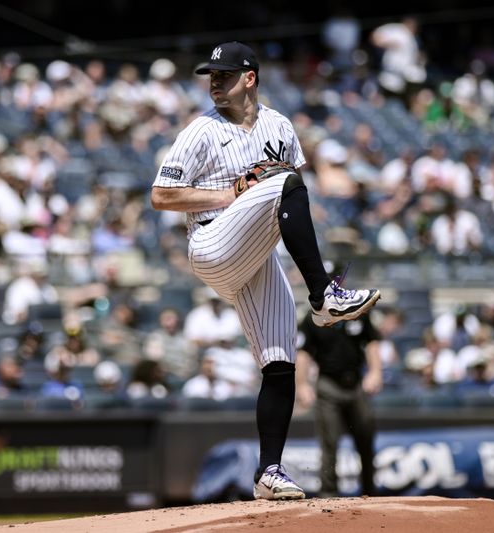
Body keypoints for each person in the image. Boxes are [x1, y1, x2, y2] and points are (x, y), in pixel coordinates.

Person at [151, 41, 380, 501]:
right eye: (210, 76)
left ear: (249, 78)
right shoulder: (201, 131)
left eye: (224, 75)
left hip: (256, 253)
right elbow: (161, 195)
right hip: (213, 242)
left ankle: (269, 473)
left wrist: (258, 197)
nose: (214, 82)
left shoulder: (279, 125)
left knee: (279, 365)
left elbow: (290, 198)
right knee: (284, 181)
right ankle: (324, 296)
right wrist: (226, 195)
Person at [295, 307, 382, 497]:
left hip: (357, 383)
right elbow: (304, 352)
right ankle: (328, 493)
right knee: (329, 441)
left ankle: (370, 490)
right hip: (328, 385)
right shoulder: (313, 317)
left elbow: (372, 342)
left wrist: (375, 372)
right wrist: (301, 384)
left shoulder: (357, 309)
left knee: (366, 436)